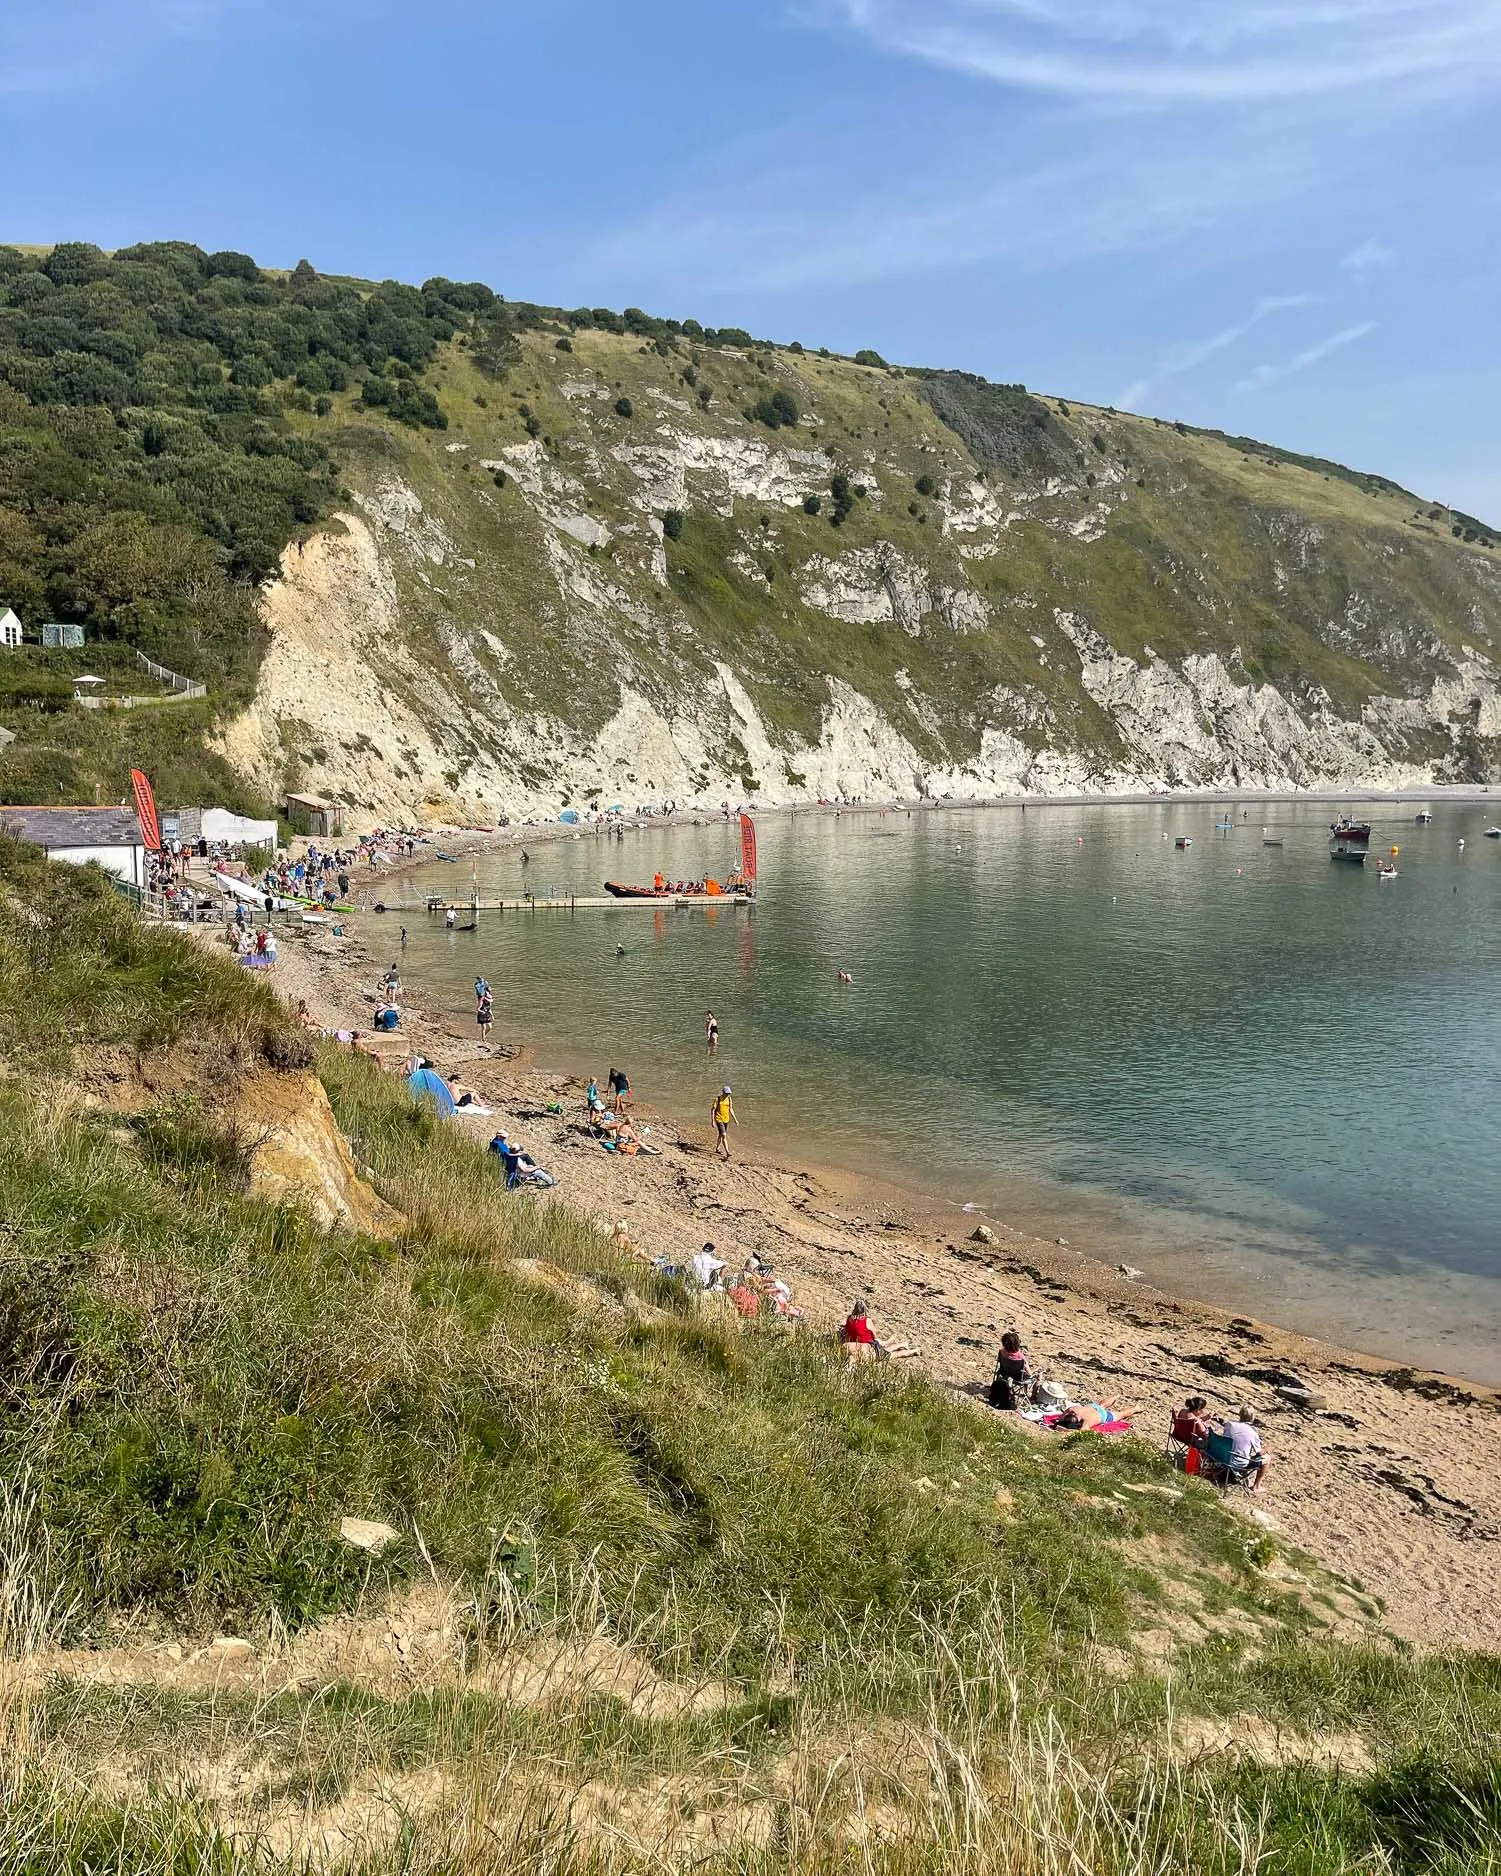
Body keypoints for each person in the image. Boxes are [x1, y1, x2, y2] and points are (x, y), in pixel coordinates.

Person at [838, 1300, 920, 1364]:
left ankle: (899, 1343)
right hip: (868, 1346)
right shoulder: (867, 1321)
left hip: (857, 1345)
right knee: (889, 1353)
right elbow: (874, 1336)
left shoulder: (849, 1318)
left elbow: (846, 1330)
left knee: (884, 1349)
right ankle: (911, 1349)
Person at [1214, 1407, 1271, 1491]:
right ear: (1252, 1417)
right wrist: (1268, 1448)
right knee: (1267, 1458)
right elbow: (1259, 1453)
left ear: (1240, 1414)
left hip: (1223, 1458)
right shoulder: (1252, 1432)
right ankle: (1256, 1487)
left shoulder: (1230, 1425)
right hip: (1239, 1463)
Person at [987, 1329, 1033, 1410]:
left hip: (1004, 1373)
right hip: (1017, 1378)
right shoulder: (1020, 1357)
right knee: (1036, 1377)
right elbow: (1029, 1374)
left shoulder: (1001, 1352)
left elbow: (999, 1362)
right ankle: (1033, 1397)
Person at [711, 1085, 736, 1160]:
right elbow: (712, 1110)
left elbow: (731, 1109)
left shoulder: (729, 1099)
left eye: (729, 1093)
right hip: (719, 1119)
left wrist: (735, 1119)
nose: (728, 1095)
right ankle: (728, 1152)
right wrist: (712, 1121)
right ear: (723, 1092)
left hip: (726, 1119)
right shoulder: (717, 1099)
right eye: (727, 1093)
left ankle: (717, 1149)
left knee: (721, 1135)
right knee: (724, 1135)